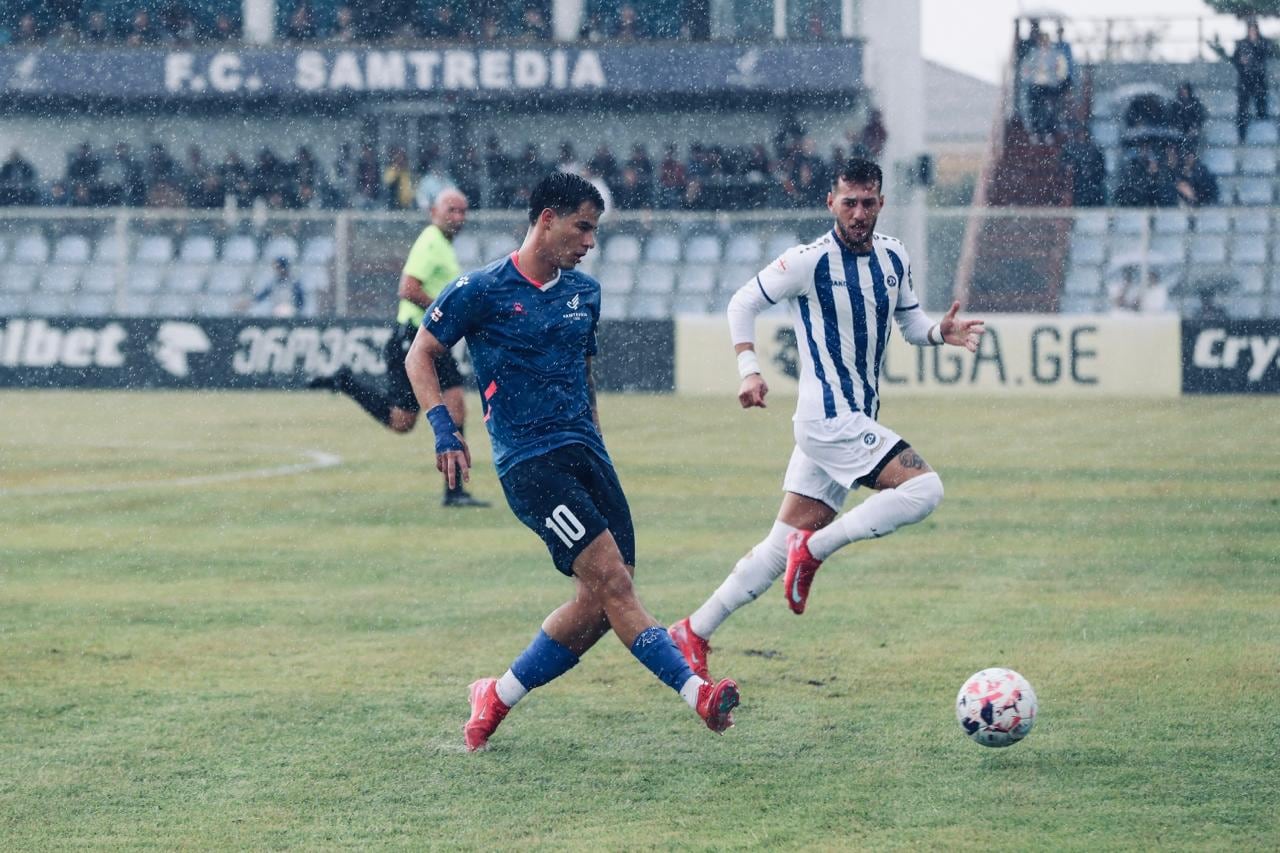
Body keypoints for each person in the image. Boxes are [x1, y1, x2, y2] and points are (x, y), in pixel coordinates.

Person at [405, 172, 740, 751]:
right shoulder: (480, 289)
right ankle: (698, 694)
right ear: (546, 219)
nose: (589, 241)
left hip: (586, 454)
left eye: (595, 230)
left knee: (604, 601)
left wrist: (599, 446)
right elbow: (422, 353)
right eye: (582, 227)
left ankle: (497, 695)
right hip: (528, 464)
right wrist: (443, 429)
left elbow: (584, 379)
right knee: (612, 583)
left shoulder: (584, 294)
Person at [666, 159, 985, 681]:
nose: (859, 213)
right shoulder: (809, 261)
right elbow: (742, 302)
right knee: (925, 490)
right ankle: (812, 550)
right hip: (827, 420)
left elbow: (908, 321)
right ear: (830, 204)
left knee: (773, 549)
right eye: (848, 202)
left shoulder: (893, 256)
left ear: (881, 203)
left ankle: (693, 631)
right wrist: (749, 369)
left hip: (849, 419)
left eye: (868, 202)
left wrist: (936, 333)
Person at [311, 188, 488, 508]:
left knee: (450, 407)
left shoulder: (443, 246)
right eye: (452, 210)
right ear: (433, 211)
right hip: (415, 339)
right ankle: (345, 380)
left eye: (463, 211)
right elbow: (407, 288)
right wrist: (443, 311)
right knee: (402, 421)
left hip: (430, 340)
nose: (458, 217)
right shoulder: (431, 241)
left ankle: (454, 492)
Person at [1211, 19, 1278, 142]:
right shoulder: (1242, 44)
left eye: (1254, 29)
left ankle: (1263, 132)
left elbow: (1268, 54)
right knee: (1242, 110)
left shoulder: (1263, 43)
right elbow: (1235, 59)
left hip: (1258, 79)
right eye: (1251, 30)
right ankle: (1242, 136)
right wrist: (1242, 61)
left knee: (1262, 109)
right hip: (1245, 80)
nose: (1252, 32)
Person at [241, 257, 306, 317]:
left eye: (278, 268)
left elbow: (300, 302)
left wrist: (295, 311)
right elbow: (261, 296)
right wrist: (248, 303)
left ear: (284, 268)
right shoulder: (274, 283)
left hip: (291, 312)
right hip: (275, 312)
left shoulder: (294, 283)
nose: (277, 270)